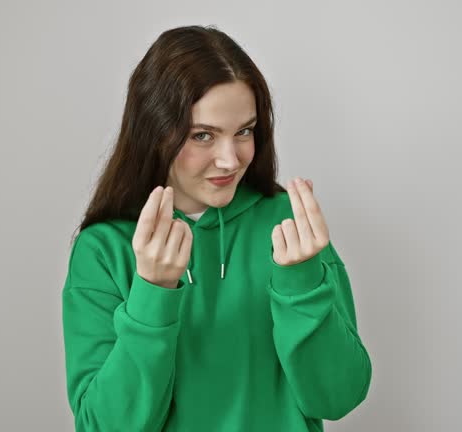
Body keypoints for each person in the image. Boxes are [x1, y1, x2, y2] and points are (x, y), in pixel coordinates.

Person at [61, 25, 372, 432]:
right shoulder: (105, 249)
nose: (230, 160)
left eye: (244, 131)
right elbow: (105, 427)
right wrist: (153, 293)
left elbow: (338, 398)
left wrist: (302, 285)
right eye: (203, 136)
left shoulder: (290, 228)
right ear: (156, 134)